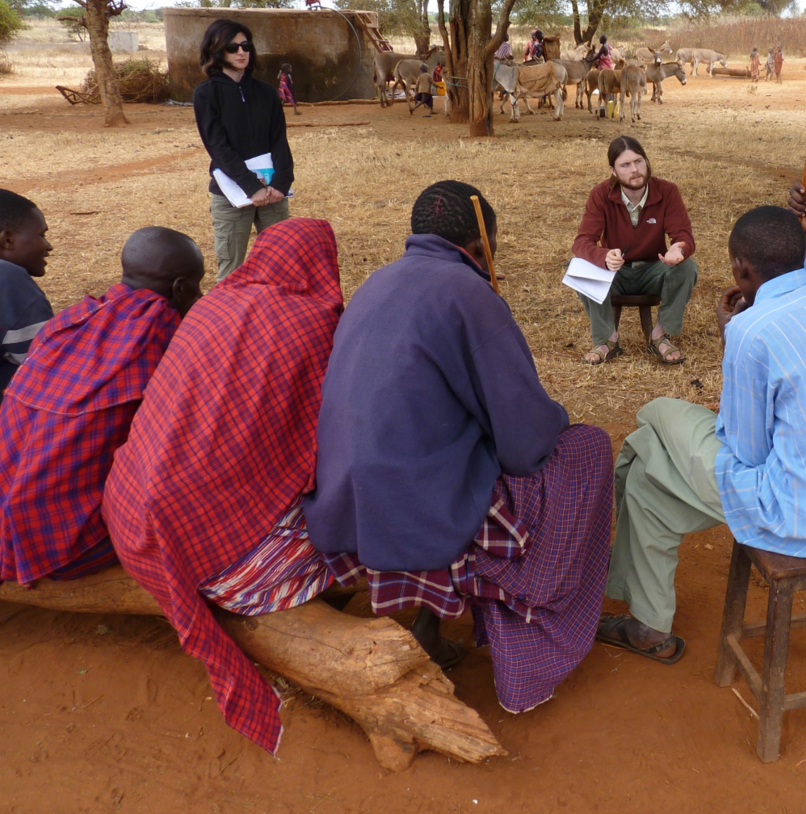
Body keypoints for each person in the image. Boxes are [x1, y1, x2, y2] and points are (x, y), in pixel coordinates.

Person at [307, 180, 614, 712]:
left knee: (456, 439)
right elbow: (526, 442)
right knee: (586, 448)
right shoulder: (471, 293)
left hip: (347, 497)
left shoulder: (376, 282)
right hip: (417, 500)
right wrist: (556, 418)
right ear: (480, 247)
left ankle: (427, 625)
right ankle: (527, 644)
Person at [598, 192, 806, 661]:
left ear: (741, 270)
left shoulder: (752, 331)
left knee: (653, 419)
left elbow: (747, 450)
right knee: (646, 480)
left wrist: (729, 337)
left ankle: (620, 587)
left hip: (799, 517)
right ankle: (647, 627)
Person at [103, 218, 344, 755]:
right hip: (214, 562)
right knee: (345, 513)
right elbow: (318, 444)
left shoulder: (212, 304)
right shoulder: (314, 322)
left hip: (126, 518)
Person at [0, 228, 203, 584]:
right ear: (181, 288)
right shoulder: (163, 336)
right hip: (66, 546)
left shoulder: (72, 319)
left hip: (10, 522)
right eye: (198, 286)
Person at [572, 136, 697, 366]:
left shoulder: (667, 191)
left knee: (687, 267)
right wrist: (604, 256)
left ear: (647, 162)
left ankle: (660, 334)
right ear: (613, 170)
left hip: (653, 270)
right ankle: (607, 339)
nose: (635, 170)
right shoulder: (600, 194)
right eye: (625, 165)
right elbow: (582, 242)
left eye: (639, 161)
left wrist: (679, 250)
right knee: (579, 268)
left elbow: (683, 236)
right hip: (615, 274)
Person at [194, 19, 293, 280]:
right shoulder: (206, 94)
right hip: (232, 194)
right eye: (232, 47)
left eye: (245, 45)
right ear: (216, 50)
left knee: (280, 269)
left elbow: (279, 140)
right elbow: (217, 147)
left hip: (273, 193)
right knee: (231, 273)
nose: (241, 52)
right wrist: (252, 187)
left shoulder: (266, 92)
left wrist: (282, 182)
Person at [0, 189, 53, 401]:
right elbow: (51, 366)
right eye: (41, 235)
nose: (48, 246)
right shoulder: (7, 280)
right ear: (7, 241)